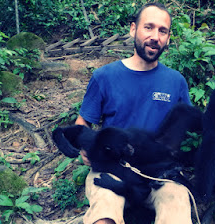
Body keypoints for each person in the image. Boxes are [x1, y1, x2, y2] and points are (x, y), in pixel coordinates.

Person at [75, 3, 193, 224]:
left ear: (168, 38)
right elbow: (83, 124)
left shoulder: (176, 82)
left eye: (162, 31)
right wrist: (86, 147)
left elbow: (188, 128)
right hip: (113, 167)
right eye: (148, 27)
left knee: (177, 201)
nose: (155, 36)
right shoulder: (105, 76)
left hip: (158, 173)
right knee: (104, 210)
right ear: (133, 29)